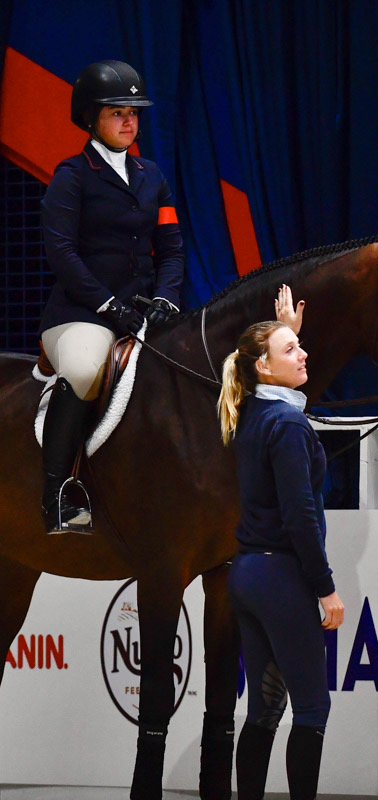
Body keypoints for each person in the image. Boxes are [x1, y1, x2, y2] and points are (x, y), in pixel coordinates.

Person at [39, 60, 184, 534]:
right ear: (91, 119)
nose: (129, 121)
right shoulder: (72, 177)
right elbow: (61, 253)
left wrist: (164, 297)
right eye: (117, 112)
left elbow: (171, 248)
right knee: (83, 369)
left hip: (141, 312)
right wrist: (107, 305)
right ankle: (58, 494)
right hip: (81, 313)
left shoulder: (152, 176)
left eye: (134, 113)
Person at [217, 287, 344, 800]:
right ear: (264, 369)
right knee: (311, 708)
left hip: (248, 573)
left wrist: (285, 333)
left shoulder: (254, 411)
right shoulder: (287, 424)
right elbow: (301, 516)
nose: (304, 354)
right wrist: (326, 587)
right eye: (291, 350)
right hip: (280, 576)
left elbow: (276, 377)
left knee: (265, 710)